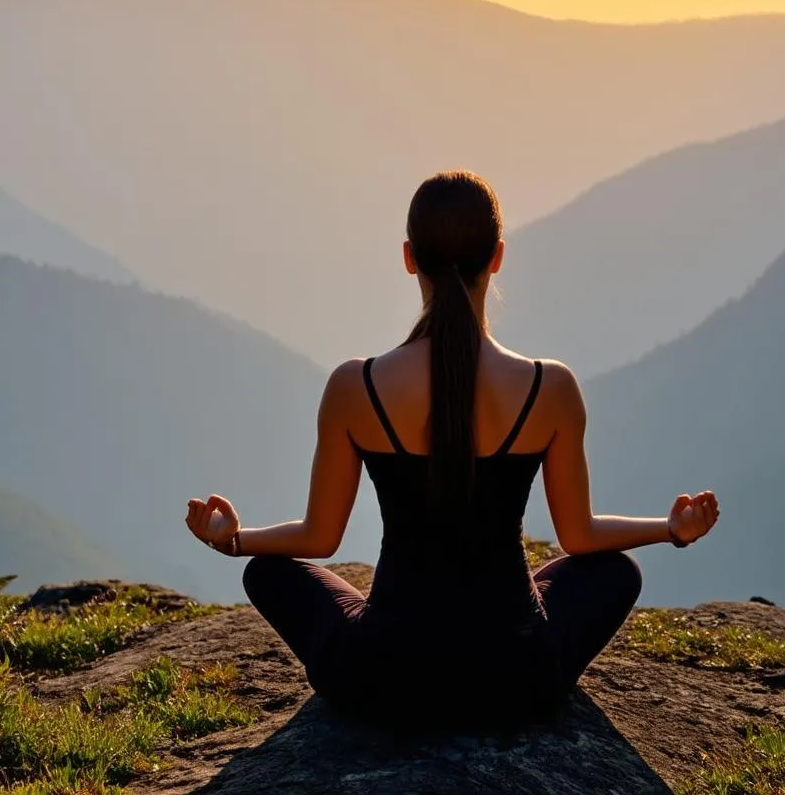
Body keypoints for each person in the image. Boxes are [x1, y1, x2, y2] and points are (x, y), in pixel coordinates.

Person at [185, 169, 719, 729]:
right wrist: (669, 528)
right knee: (617, 573)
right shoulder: (549, 387)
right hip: (518, 679)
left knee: (266, 574)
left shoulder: (355, 386)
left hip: (384, 680)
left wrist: (236, 542)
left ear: (409, 258)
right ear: (498, 256)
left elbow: (319, 538)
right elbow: (579, 537)